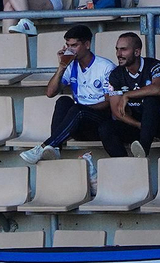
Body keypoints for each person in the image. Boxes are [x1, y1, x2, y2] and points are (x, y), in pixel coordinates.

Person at [21, 25, 121, 164]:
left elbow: (109, 102)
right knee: (63, 101)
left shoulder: (105, 67)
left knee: (78, 109)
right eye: (67, 45)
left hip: (101, 123)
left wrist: (84, 109)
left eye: (74, 45)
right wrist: (61, 67)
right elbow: (50, 93)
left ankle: (44, 146)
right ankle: (55, 148)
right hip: (78, 122)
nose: (70, 50)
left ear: (87, 44)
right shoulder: (70, 64)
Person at [105, 33, 160, 158]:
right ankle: (125, 165)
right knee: (106, 128)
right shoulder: (116, 74)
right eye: (117, 49)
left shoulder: (155, 65)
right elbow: (117, 110)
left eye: (124, 49)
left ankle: (143, 149)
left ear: (137, 52)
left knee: (151, 98)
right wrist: (140, 125)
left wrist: (127, 95)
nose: (119, 54)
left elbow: (158, 88)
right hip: (141, 125)